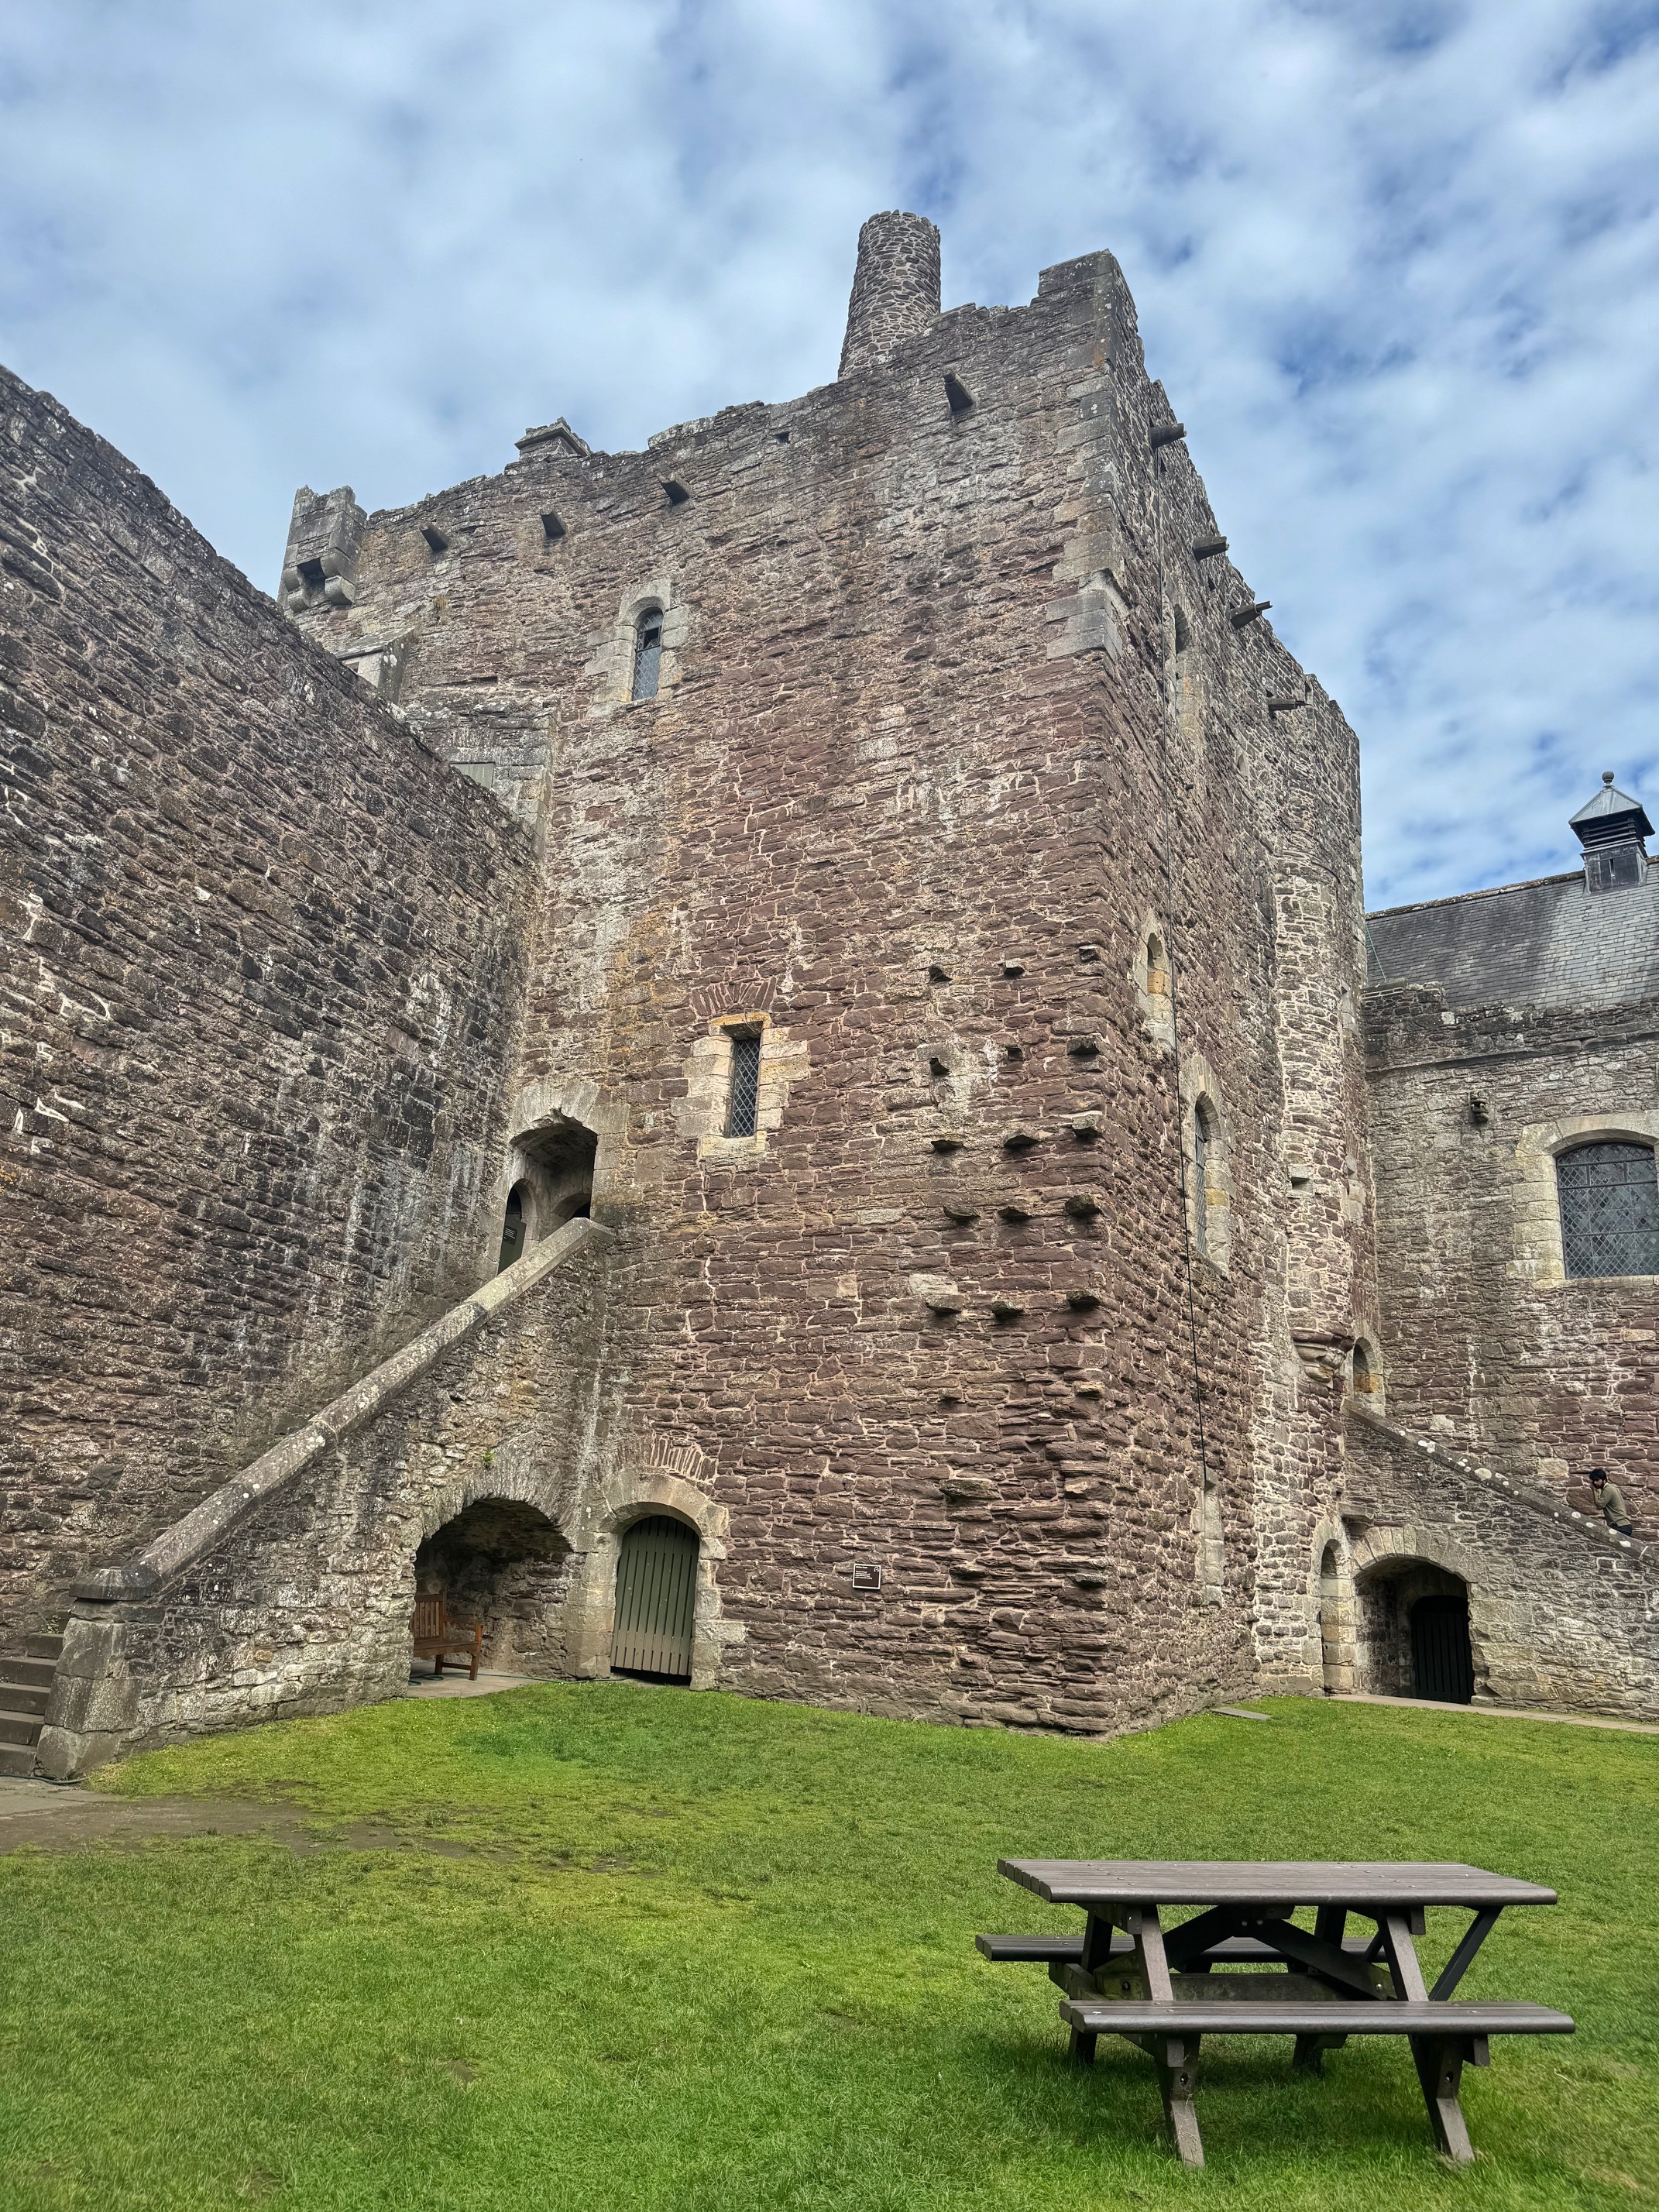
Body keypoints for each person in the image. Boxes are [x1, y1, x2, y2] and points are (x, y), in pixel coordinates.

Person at [1587, 1468, 1633, 1539]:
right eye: (1593, 1481)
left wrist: (1594, 1491)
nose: (1595, 1483)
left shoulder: (1608, 1489)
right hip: (1621, 1525)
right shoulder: (1609, 1488)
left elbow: (1600, 1505)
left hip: (1620, 1526)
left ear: (1604, 1480)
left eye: (1597, 1480)